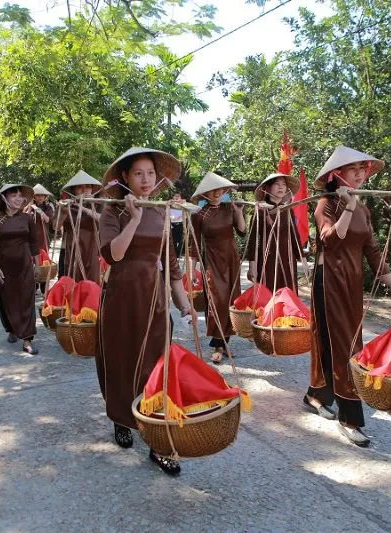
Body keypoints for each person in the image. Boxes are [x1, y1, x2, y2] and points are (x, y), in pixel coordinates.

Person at [98, 147, 193, 476]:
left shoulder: (162, 210)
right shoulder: (112, 210)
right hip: (122, 297)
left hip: (154, 300)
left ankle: (158, 442)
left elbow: (170, 262)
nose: (145, 179)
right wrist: (134, 218)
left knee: (157, 369)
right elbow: (113, 255)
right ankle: (121, 418)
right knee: (122, 361)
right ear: (125, 177)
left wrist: (182, 303)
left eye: (150, 173)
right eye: (138, 173)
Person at [304, 146, 391, 448]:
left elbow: (372, 250)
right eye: (353, 168)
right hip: (329, 282)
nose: (360, 174)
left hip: (352, 284)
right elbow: (331, 240)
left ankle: (316, 394)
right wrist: (347, 207)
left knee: (331, 341)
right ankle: (350, 417)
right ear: (337, 174)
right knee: (347, 346)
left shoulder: (363, 208)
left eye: (363, 168)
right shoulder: (326, 204)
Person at [189, 172, 247, 364]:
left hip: (231, 259)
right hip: (212, 260)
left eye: (220, 189)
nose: (216, 193)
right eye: (212, 190)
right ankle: (217, 344)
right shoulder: (198, 214)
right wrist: (191, 271)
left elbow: (242, 231)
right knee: (216, 299)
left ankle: (223, 342)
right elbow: (193, 244)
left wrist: (238, 211)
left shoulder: (230, 208)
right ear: (205, 193)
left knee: (230, 299)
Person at [0, 184, 40, 353]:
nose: (19, 199)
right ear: (4, 198)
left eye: (20, 196)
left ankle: (27, 340)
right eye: (14, 196)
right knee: (8, 300)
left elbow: (34, 243)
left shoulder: (27, 219)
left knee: (27, 300)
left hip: (25, 265)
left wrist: (37, 265)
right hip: (5, 267)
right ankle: (11, 327)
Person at [245, 173, 304, 293]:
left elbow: (294, 236)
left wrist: (302, 259)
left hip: (287, 259)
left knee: (288, 294)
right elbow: (253, 239)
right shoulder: (260, 210)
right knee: (268, 294)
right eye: (277, 184)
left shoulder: (288, 210)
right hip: (267, 261)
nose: (281, 187)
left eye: (283, 184)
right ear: (268, 188)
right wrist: (252, 266)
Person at [55, 171, 102, 283]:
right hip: (73, 250)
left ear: (92, 189)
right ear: (73, 190)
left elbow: (103, 220)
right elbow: (55, 227)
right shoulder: (66, 205)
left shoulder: (98, 204)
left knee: (92, 284)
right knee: (73, 283)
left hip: (93, 250)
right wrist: (63, 213)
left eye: (88, 187)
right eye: (80, 187)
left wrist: (84, 208)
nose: (84, 190)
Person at [28, 184, 55, 294]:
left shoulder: (48, 208)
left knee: (44, 262)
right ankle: (33, 287)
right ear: (34, 197)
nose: (40, 198)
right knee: (32, 262)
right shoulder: (28, 207)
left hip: (43, 239)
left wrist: (39, 210)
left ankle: (44, 287)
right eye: (37, 195)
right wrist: (30, 208)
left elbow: (49, 220)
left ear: (45, 197)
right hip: (31, 239)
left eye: (42, 196)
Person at [169, 193, 185, 257]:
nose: (177, 197)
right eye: (175, 196)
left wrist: (180, 201)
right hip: (172, 223)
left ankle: (178, 253)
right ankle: (175, 254)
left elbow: (184, 201)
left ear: (180, 197)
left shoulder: (183, 203)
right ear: (173, 197)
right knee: (174, 240)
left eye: (178, 196)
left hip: (180, 223)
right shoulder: (170, 203)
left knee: (181, 240)